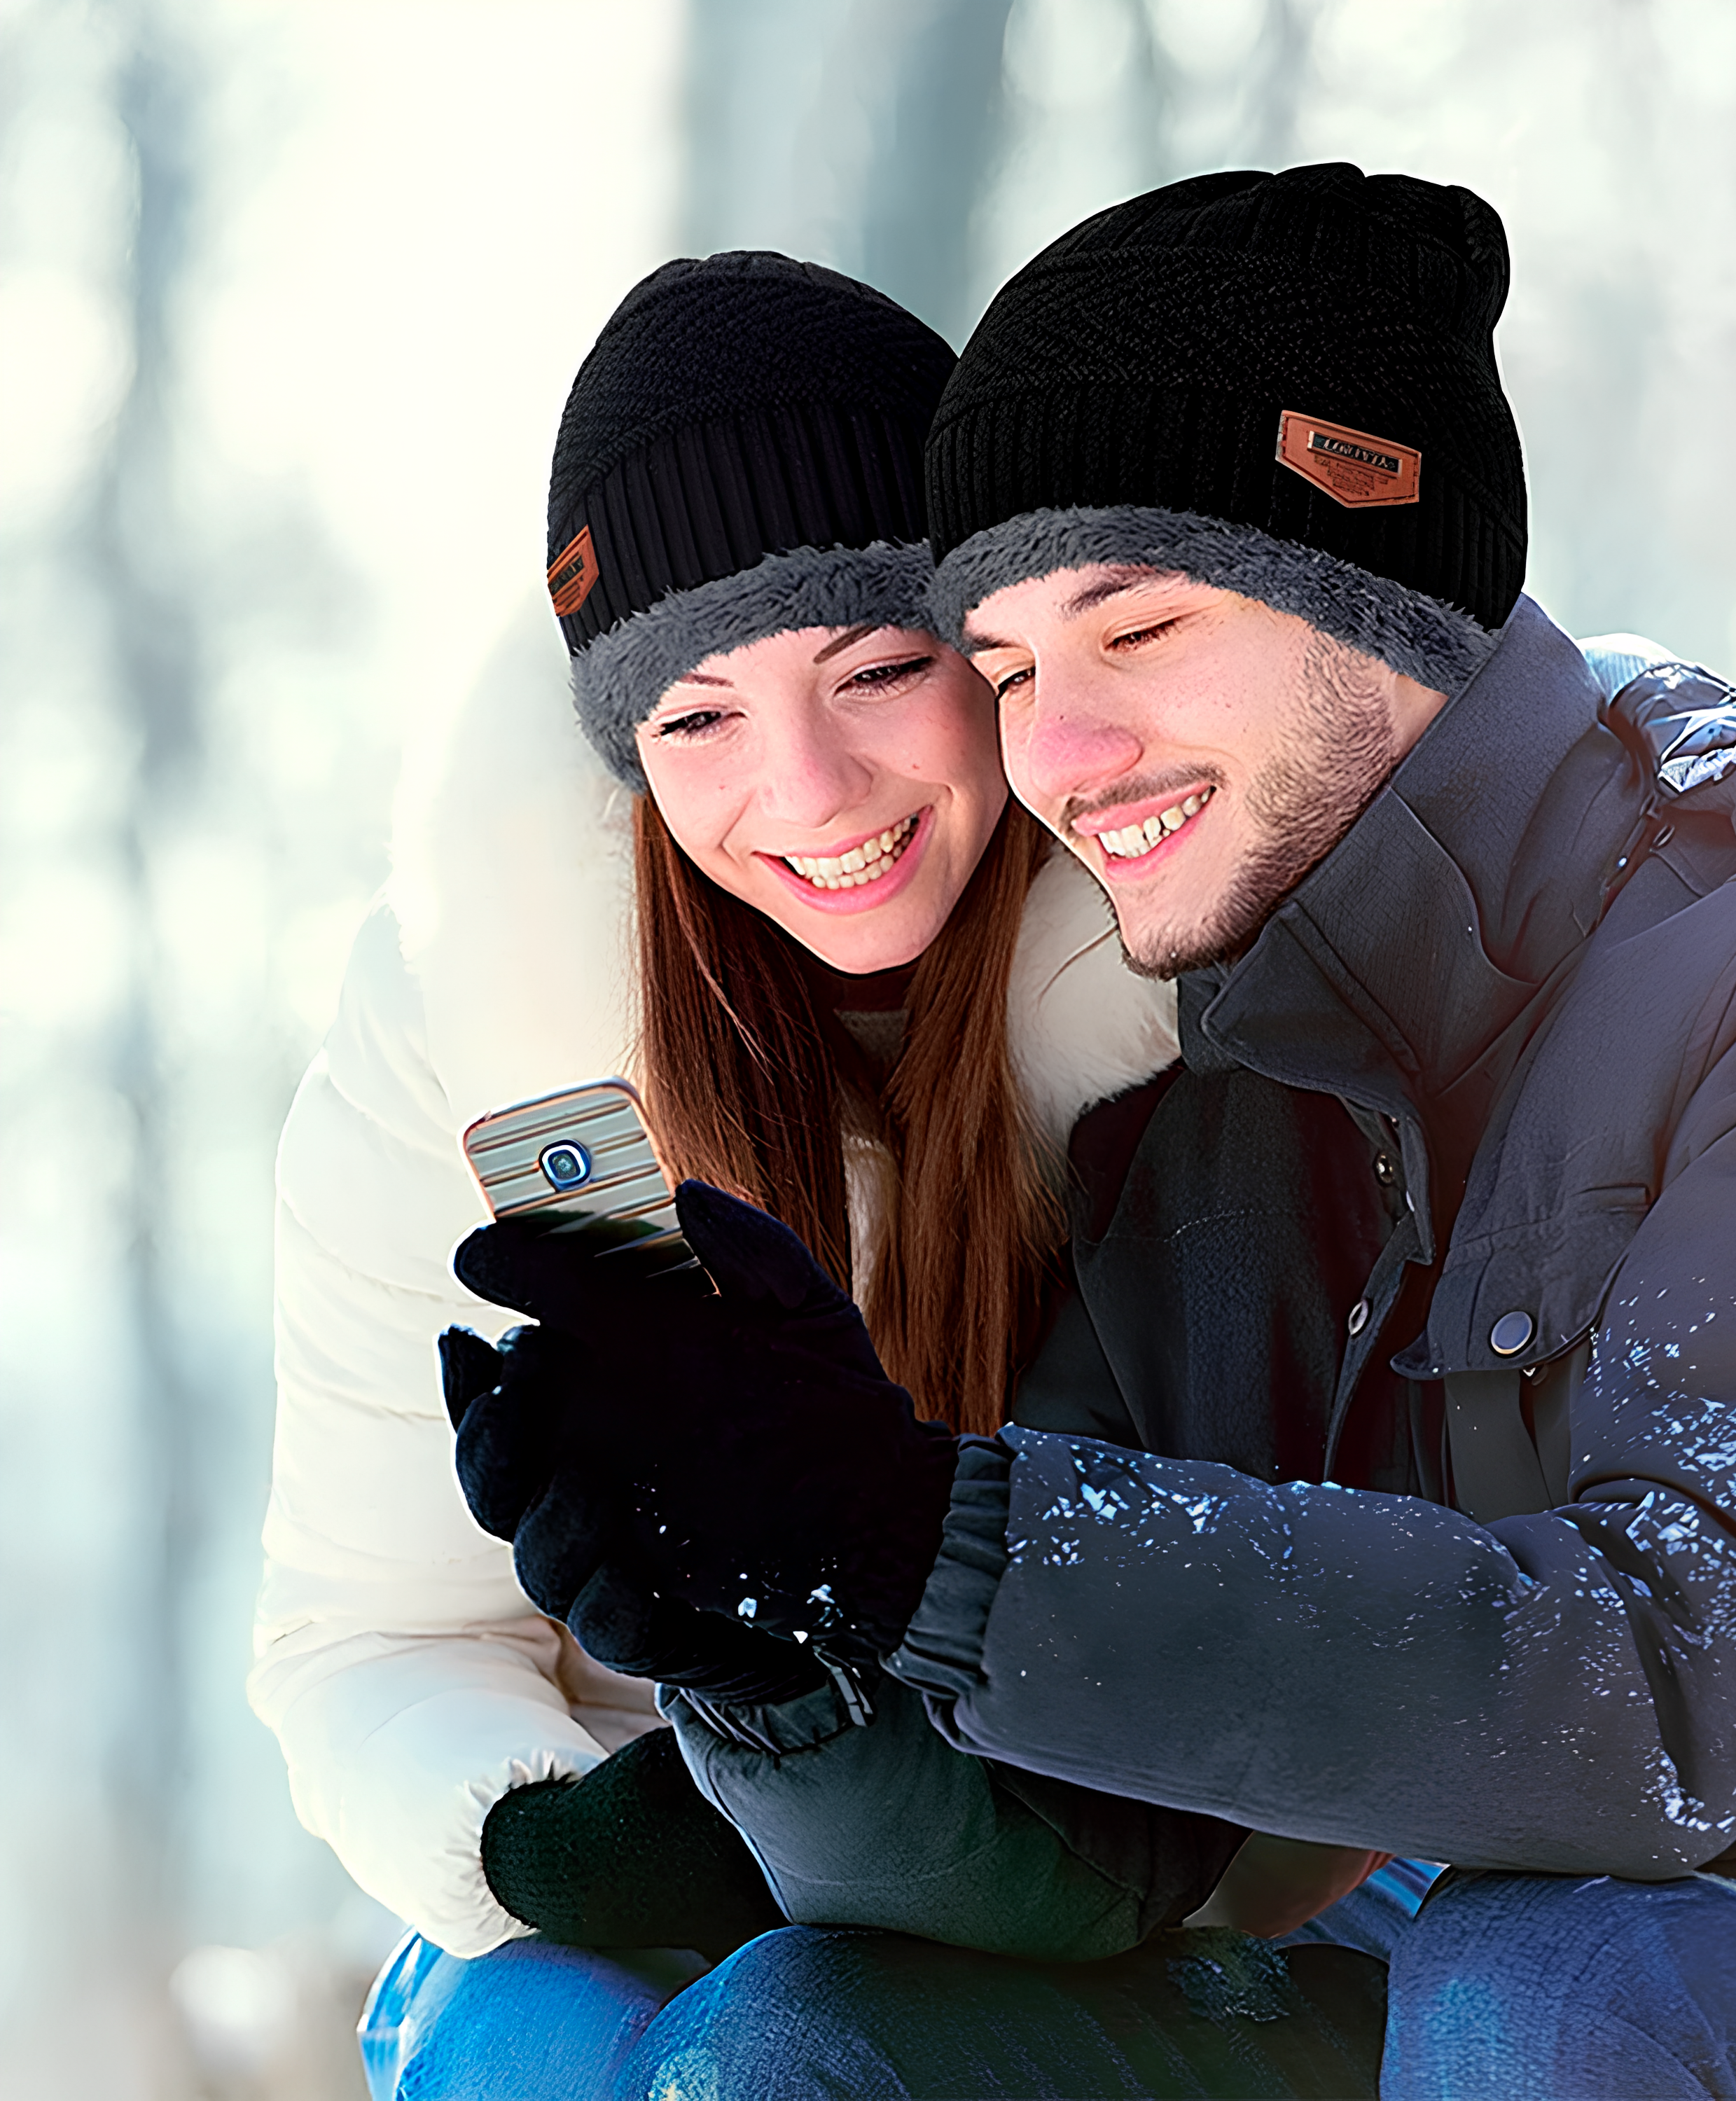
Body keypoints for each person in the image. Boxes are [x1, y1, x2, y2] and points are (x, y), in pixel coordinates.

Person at [450, 167, 1736, 2098]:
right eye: (1002, 673)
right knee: (811, 2041)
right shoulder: (1219, 1126)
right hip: (1501, 1986)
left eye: (1132, 626)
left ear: (1380, 586)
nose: (1054, 757)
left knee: (1541, 1995)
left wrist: (920, 1528)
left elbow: (1674, 1685)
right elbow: (1078, 1858)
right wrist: (779, 1631)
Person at [250, 253, 1204, 2101]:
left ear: (999, 652)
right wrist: (550, 1842)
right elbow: (367, 1635)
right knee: (553, 2044)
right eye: (696, 718)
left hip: (1076, 1849)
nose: (813, 789)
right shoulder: (485, 1032)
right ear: (619, 751)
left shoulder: (1190, 988)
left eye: (878, 670)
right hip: (619, 1846)